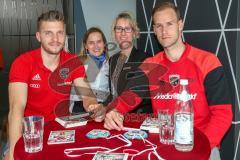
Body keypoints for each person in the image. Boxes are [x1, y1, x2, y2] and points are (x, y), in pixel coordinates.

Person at [104, 2, 232, 159]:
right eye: (158, 26)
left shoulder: (208, 62)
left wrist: (199, 146)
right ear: (154, 30)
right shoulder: (150, 65)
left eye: (169, 24)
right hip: (163, 147)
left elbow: (222, 115)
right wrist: (114, 111)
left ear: (180, 25)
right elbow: (128, 97)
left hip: (203, 147)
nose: (164, 31)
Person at [7, 10, 102, 160]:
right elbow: (16, 109)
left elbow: (88, 96)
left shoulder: (73, 62)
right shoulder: (22, 63)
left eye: (60, 33)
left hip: (62, 132)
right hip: (31, 133)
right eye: (48, 33)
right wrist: (13, 151)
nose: (55, 39)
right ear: (38, 36)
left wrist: (93, 106)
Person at [103, 12, 152, 130]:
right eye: (119, 29)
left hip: (138, 121)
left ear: (134, 33)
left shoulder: (146, 59)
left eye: (127, 29)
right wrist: (101, 108)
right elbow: (113, 94)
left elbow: (137, 95)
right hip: (115, 119)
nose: (123, 33)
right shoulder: (113, 60)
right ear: (114, 33)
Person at [70, 27, 109, 113]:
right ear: (86, 46)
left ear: (104, 44)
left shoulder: (110, 64)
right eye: (91, 43)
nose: (96, 46)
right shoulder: (78, 63)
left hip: (102, 107)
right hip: (80, 107)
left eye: (99, 42)